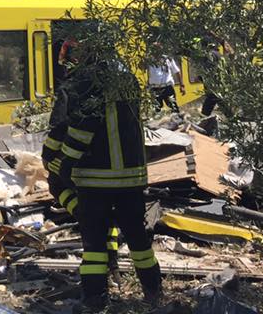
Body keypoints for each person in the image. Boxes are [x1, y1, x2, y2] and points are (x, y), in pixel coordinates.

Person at [52, 37, 161, 311]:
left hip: (96, 176)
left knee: (94, 245)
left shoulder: (88, 81)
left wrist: (66, 163)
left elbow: (82, 127)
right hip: (132, 177)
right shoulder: (126, 77)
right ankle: (153, 293)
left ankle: (94, 298)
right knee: (138, 240)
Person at [147, 46, 184, 114]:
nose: (156, 53)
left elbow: (177, 71)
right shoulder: (149, 61)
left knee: (173, 107)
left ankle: (179, 121)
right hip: (155, 88)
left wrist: (182, 85)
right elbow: (143, 69)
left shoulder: (168, 59)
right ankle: (157, 123)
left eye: (158, 50)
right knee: (157, 109)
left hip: (167, 87)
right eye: (154, 51)